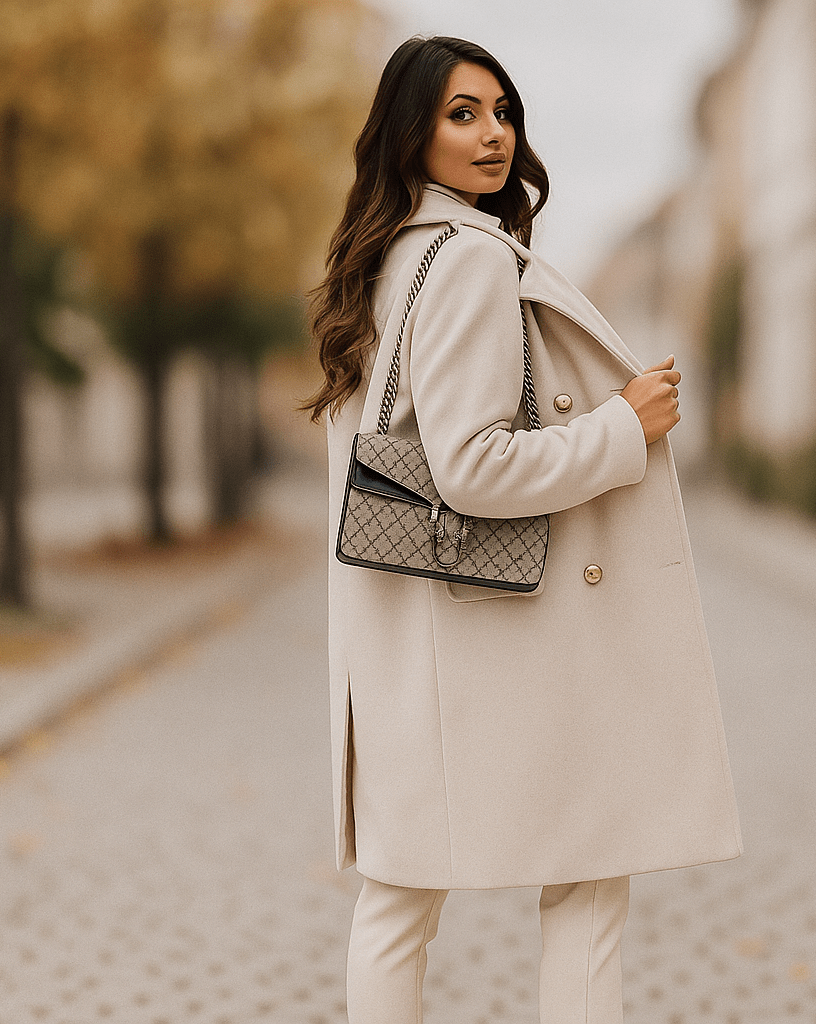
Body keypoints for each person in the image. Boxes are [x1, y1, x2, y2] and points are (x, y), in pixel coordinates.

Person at [303, 35, 741, 1024]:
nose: (493, 134)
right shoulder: (463, 263)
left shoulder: (390, 257)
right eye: (462, 113)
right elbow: (472, 464)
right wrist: (619, 427)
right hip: (497, 640)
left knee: (400, 897)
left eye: (500, 112)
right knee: (584, 880)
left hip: (424, 642)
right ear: (411, 131)